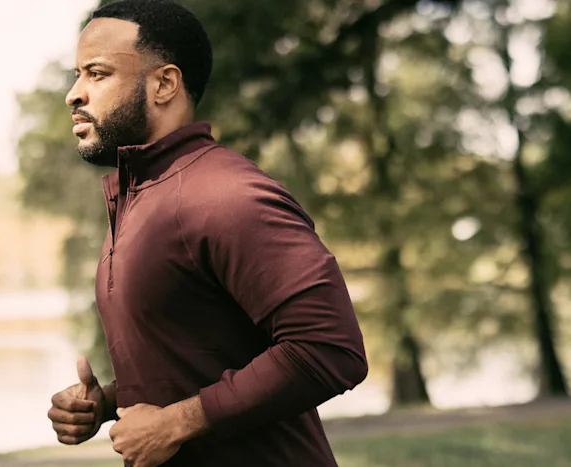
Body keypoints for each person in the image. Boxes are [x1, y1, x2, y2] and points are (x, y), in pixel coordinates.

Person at [45, 1, 368, 466]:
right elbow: (202, 355)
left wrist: (176, 423)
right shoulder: (140, 198)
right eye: (77, 75)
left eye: (97, 74)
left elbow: (330, 348)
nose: (74, 94)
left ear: (164, 84)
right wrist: (109, 401)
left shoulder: (228, 196)